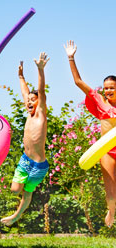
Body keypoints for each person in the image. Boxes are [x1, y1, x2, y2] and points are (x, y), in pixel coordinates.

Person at [64, 40, 116, 227]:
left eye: (112, 87)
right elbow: (78, 82)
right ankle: (111, 211)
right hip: (107, 151)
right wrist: (71, 57)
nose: (108, 90)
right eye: (106, 87)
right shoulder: (100, 101)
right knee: (110, 190)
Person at [1, 52, 50, 226]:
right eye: (28, 100)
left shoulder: (40, 115)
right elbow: (24, 92)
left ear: (40, 103)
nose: (28, 102)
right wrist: (21, 76)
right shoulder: (29, 114)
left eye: (32, 100)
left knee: (27, 193)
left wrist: (40, 70)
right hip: (25, 160)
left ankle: (16, 215)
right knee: (15, 190)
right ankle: (17, 212)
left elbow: (41, 91)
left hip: (38, 165)